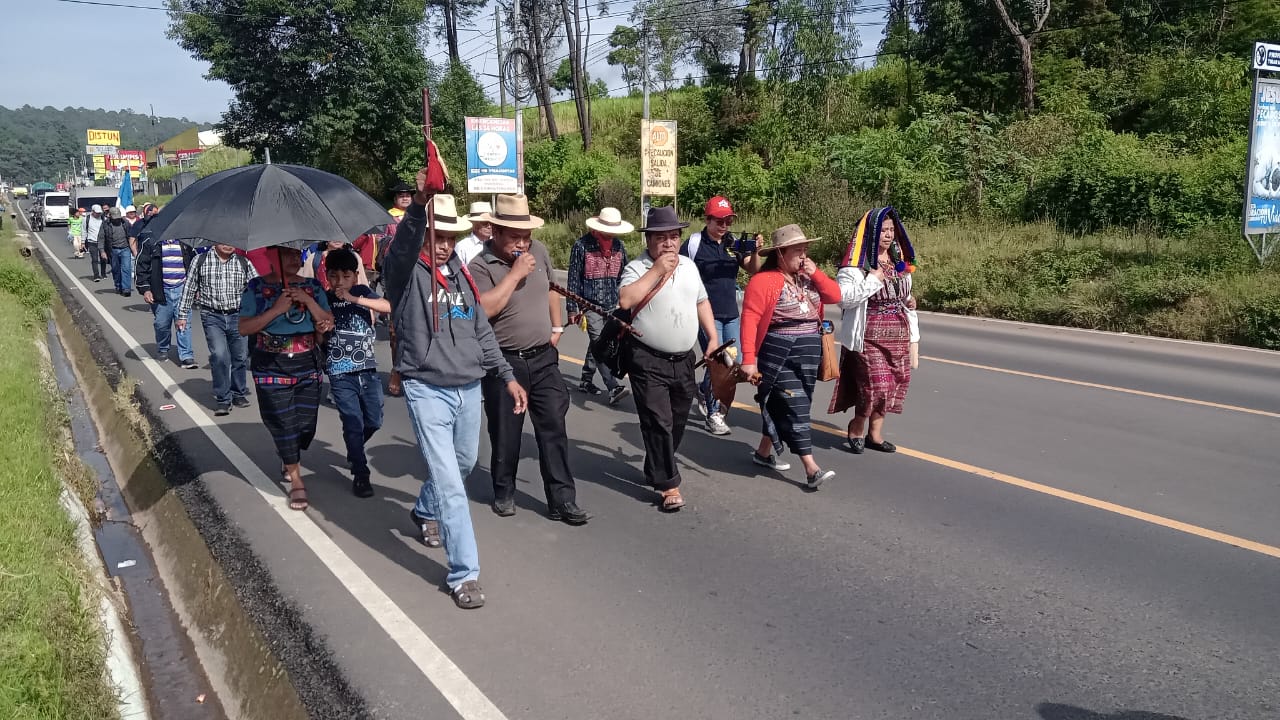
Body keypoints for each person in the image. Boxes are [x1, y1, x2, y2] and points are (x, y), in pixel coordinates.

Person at [382, 175, 527, 611]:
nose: (442, 245)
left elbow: (481, 332)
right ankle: (464, 574)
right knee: (450, 484)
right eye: (436, 236)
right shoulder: (405, 276)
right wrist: (417, 209)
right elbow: (403, 249)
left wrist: (506, 376)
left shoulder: (461, 277)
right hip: (426, 389)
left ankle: (424, 512)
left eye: (449, 237)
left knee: (464, 463)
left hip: (468, 387)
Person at [469, 194, 590, 525]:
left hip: (543, 356)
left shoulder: (539, 251)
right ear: (494, 231)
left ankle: (562, 499)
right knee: (506, 431)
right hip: (505, 362)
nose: (522, 243)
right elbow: (484, 309)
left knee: (553, 425)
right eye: (514, 236)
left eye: (526, 236)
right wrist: (514, 275)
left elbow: (551, 287)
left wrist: (556, 326)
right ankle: (504, 489)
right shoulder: (480, 267)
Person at [618, 206, 720, 512]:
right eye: (661, 237)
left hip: (683, 359)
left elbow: (701, 301)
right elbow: (625, 299)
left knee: (676, 420)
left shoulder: (689, 266)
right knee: (658, 422)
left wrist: (712, 337)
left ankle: (656, 467)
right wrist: (658, 270)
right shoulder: (638, 267)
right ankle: (668, 485)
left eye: (673, 236)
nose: (668, 243)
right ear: (649, 240)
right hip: (646, 358)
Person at [739, 225, 842, 488]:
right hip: (778, 352)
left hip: (808, 353)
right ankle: (811, 468)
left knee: (787, 403)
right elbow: (750, 320)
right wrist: (748, 358)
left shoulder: (808, 277)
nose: (803, 256)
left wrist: (815, 273)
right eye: (798, 252)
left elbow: (835, 295)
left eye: (805, 251)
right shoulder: (763, 281)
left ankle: (764, 452)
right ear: (781, 254)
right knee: (795, 405)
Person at [238, 246, 335, 511]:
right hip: (270, 365)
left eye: (297, 254)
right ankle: (296, 480)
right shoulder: (256, 288)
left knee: (305, 426)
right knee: (283, 423)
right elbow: (244, 327)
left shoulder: (313, 287)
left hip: (307, 363)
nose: (295, 259)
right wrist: (277, 309)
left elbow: (328, 321)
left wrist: (310, 302)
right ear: (271, 256)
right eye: (287, 254)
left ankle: (288, 453)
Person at [829, 207, 917, 453]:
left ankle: (875, 435)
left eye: (891, 230)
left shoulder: (898, 262)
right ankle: (857, 425)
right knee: (876, 385)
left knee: (894, 384)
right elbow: (844, 299)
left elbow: (903, 292)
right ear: (870, 234)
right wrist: (872, 280)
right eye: (883, 231)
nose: (888, 235)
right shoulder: (856, 266)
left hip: (898, 332)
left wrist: (910, 300)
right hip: (868, 333)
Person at [680, 196, 763, 436]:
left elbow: (752, 268)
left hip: (730, 313)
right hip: (706, 314)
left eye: (728, 220)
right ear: (707, 220)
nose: (724, 225)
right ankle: (714, 412)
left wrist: (756, 251)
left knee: (733, 361)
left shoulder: (732, 242)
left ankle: (704, 391)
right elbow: (680, 270)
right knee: (720, 363)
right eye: (719, 220)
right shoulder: (694, 243)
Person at [323, 248, 388, 498]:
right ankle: (361, 473)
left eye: (346, 276)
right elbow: (319, 323)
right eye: (334, 276)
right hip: (340, 372)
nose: (340, 282)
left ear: (355, 276)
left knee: (374, 420)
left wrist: (354, 299)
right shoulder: (325, 298)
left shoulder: (361, 292)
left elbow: (387, 306)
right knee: (352, 421)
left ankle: (354, 448)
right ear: (327, 277)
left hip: (368, 370)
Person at [176, 244, 258, 416]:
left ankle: (238, 392)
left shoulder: (243, 262)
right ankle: (223, 398)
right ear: (215, 242)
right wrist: (182, 315)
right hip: (212, 316)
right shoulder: (200, 261)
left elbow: (257, 287)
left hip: (238, 316)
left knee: (240, 356)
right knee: (219, 355)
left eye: (231, 241)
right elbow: (189, 288)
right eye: (224, 241)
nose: (228, 245)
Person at [566, 207, 632, 404]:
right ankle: (613, 387)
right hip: (590, 306)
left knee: (603, 343)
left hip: (613, 305)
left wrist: (627, 304)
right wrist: (572, 307)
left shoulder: (619, 247)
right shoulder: (581, 246)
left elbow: (625, 277)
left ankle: (586, 379)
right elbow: (573, 280)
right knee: (598, 344)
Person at [135, 230, 199, 368]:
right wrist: (146, 289)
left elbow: (195, 265)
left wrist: (196, 287)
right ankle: (163, 347)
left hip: (182, 289)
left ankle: (186, 356)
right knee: (161, 324)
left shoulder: (186, 243)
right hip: (160, 290)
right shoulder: (151, 243)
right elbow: (141, 266)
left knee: (184, 323)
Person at [98, 206, 133, 296]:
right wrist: (102, 251)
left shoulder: (126, 223)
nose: (117, 219)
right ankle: (118, 285)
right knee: (115, 269)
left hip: (125, 249)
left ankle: (126, 289)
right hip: (113, 250)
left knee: (126, 269)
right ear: (110, 216)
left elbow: (132, 236)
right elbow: (101, 238)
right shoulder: (105, 224)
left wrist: (134, 249)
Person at [454, 201, 493, 265]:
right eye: (485, 223)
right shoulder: (462, 247)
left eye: (491, 223)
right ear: (473, 224)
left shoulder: (497, 243)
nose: (489, 226)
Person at [83, 204, 108, 282]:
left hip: (102, 242)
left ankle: (103, 273)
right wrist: (83, 242)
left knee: (103, 258)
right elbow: (84, 231)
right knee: (94, 259)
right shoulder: (87, 219)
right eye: (97, 213)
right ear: (92, 212)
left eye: (99, 213)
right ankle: (96, 275)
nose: (98, 214)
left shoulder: (103, 219)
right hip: (92, 242)